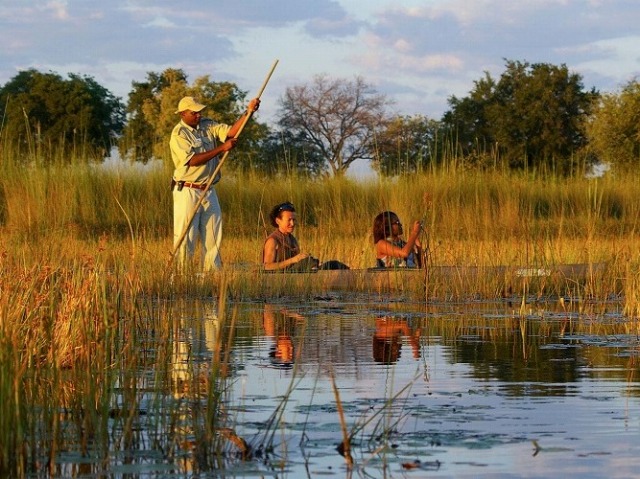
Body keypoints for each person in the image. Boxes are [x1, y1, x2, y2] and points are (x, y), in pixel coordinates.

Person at [170, 95, 260, 272]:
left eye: (199, 111)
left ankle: (212, 277)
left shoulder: (207, 124)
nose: (198, 115)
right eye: (193, 112)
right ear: (182, 114)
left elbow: (231, 133)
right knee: (186, 237)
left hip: (209, 189)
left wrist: (248, 112)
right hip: (188, 190)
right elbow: (192, 161)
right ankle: (181, 278)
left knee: (213, 236)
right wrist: (221, 148)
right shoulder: (178, 134)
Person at [263, 202, 349, 272]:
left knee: (334, 264)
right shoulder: (272, 241)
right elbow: (266, 266)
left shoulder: (293, 239)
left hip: (297, 272)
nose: (292, 224)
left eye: (294, 220)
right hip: (282, 277)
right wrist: (293, 260)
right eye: (289, 220)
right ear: (278, 221)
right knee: (308, 262)